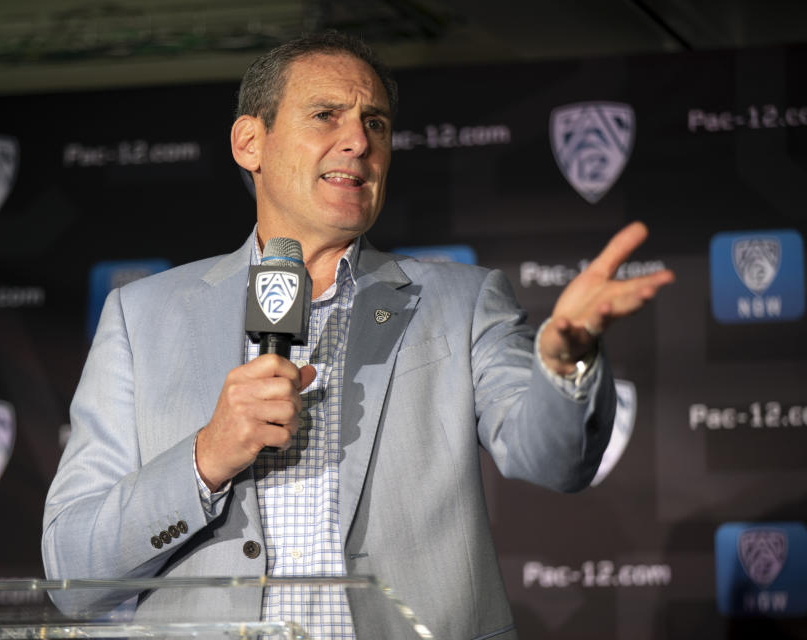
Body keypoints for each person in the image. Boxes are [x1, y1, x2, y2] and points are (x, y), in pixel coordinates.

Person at [42, 32, 674, 640]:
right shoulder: (141, 316)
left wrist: (567, 365)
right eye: (325, 115)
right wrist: (206, 459)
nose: (357, 141)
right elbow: (71, 573)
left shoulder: (459, 303)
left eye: (375, 123)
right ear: (249, 142)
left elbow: (555, 460)